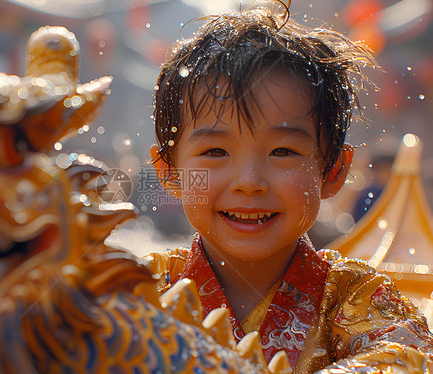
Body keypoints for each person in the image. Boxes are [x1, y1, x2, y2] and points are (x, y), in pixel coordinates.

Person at [143, 2, 433, 372]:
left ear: (332, 170)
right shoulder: (140, 291)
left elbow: (407, 359)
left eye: (282, 151)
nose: (249, 182)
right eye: (215, 151)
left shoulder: (360, 298)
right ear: (169, 171)